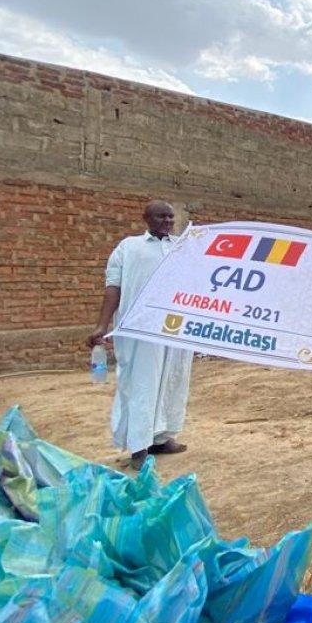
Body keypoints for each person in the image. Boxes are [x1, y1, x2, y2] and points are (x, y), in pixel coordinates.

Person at [87, 200, 192, 471]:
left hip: (175, 327)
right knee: (142, 383)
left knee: (172, 379)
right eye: (161, 217)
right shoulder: (129, 247)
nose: (167, 222)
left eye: (170, 217)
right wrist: (102, 325)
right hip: (140, 328)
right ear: (146, 218)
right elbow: (113, 287)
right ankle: (138, 446)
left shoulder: (182, 246)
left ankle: (162, 437)